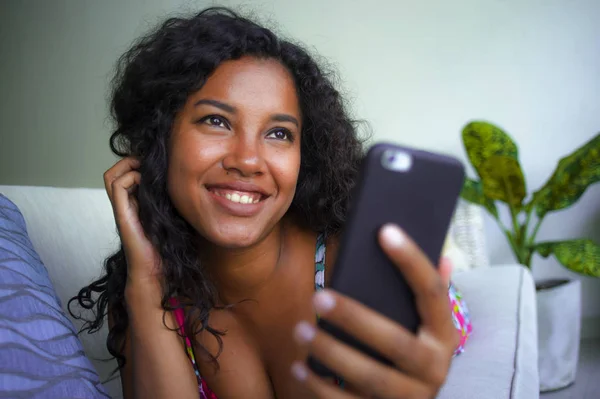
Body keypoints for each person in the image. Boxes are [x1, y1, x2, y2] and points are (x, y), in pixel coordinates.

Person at [70, 7, 471, 399]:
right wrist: (146, 283)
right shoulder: (145, 300)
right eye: (217, 121)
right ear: (161, 139)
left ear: (304, 155)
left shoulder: (353, 261)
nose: (247, 160)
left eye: (279, 133)